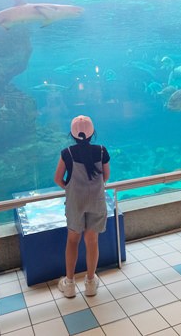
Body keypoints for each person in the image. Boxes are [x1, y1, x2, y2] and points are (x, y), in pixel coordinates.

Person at [54, 115, 110, 298]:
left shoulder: (67, 153)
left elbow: (58, 179)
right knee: (92, 241)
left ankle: (69, 284)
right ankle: (91, 283)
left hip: (75, 203)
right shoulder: (102, 151)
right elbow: (105, 177)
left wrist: (70, 188)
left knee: (72, 241)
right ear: (93, 132)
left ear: (72, 134)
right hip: (96, 201)